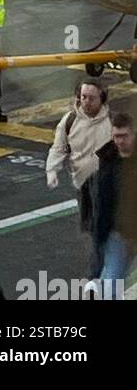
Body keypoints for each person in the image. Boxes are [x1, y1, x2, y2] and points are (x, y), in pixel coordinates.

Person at [46, 79, 111, 270]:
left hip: (107, 184)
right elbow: (59, 148)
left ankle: (98, 271)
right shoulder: (69, 121)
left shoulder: (112, 121)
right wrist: (52, 171)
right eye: (83, 97)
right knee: (92, 229)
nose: (87, 101)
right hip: (83, 185)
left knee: (102, 229)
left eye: (92, 98)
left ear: (102, 99)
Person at [91, 111, 136, 297]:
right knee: (110, 288)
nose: (119, 141)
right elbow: (102, 199)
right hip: (118, 234)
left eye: (124, 136)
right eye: (116, 136)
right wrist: (99, 234)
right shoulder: (108, 160)